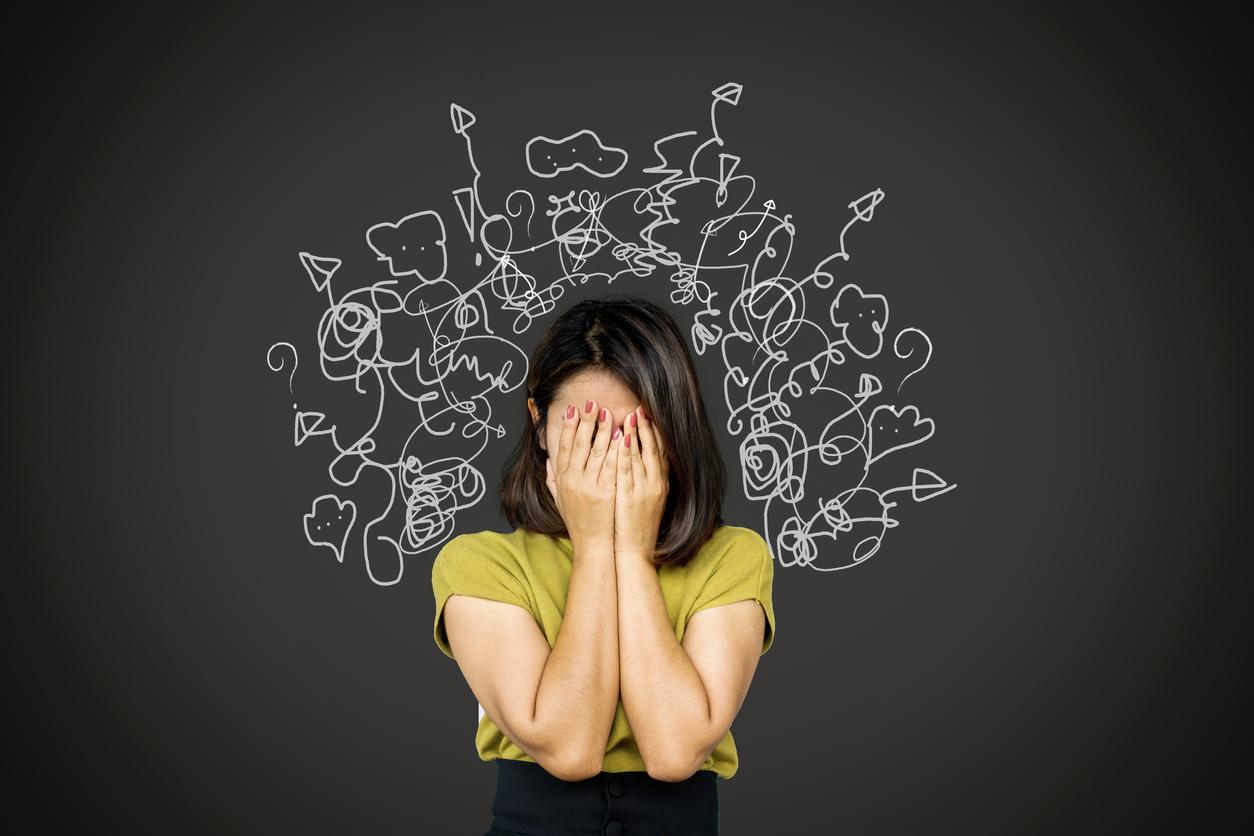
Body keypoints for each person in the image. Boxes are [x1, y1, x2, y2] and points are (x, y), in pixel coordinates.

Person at [431, 294, 777, 836]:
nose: (612, 460)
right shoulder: (478, 564)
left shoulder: (733, 556)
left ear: (674, 431)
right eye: (587, 435)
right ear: (539, 424)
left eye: (635, 435)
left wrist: (632, 555)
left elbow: (675, 750)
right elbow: (567, 747)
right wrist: (595, 547)